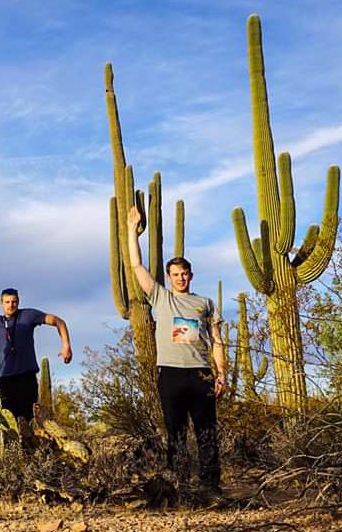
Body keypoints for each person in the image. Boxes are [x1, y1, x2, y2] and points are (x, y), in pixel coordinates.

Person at [126, 205, 227, 493]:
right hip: (170, 373)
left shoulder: (204, 303)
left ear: (191, 276)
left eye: (184, 274)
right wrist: (132, 232)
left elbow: (216, 340)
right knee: (176, 432)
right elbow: (136, 267)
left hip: (200, 374)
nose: (180, 278)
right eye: (175, 274)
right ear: (168, 277)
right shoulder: (160, 297)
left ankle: (211, 487)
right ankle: (179, 484)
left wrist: (221, 374)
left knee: (207, 432)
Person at [0, 283, 72, 421]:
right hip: (5, 379)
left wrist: (66, 345)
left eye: (14, 302)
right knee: (7, 423)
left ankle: (29, 443)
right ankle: (11, 444)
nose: (11, 305)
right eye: (7, 302)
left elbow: (58, 321)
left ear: (18, 302)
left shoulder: (29, 315)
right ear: (1, 303)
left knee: (28, 421)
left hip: (26, 377)